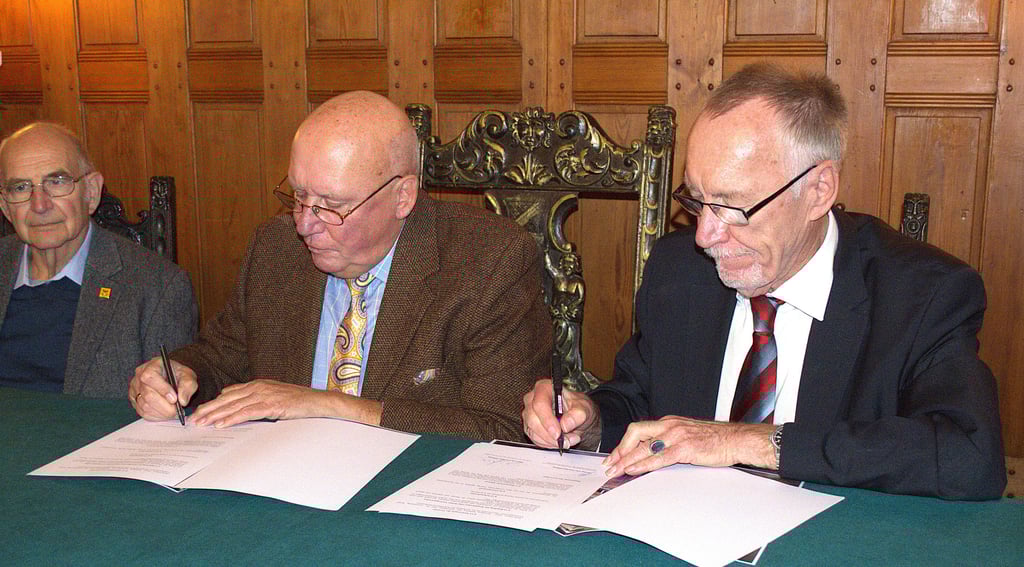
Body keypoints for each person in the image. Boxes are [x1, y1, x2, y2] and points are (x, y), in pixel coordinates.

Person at [522, 63, 1006, 500]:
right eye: (696, 200)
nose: (705, 235)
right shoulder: (680, 269)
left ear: (818, 190)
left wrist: (747, 442)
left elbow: (969, 456)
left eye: (733, 207)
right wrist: (588, 419)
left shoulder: (923, 294)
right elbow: (640, 400)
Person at [130, 91, 551, 441]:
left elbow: (503, 429)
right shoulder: (275, 250)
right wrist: (178, 375)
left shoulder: (488, 261)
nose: (304, 224)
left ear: (403, 196)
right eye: (299, 196)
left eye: (332, 205)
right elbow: (222, 358)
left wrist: (332, 407)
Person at [0, 122, 197, 396]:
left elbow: (167, 406)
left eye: (57, 182)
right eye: (21, 187)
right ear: (5, 205)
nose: (40, 205)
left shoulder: (157, 288)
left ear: (91, 192)